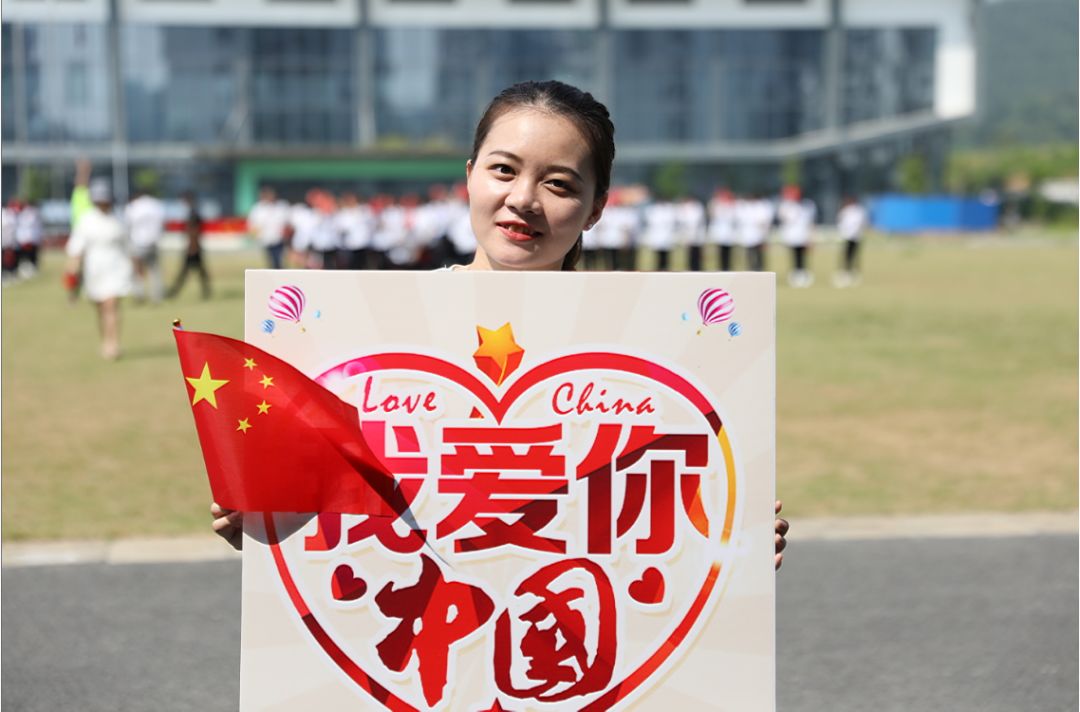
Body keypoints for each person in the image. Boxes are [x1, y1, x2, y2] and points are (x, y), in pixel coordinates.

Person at [209, 80, 789, 567]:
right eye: (504, 170)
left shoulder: (657, 346)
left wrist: (734, 548)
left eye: (559, 183)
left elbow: (668, 510)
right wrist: (265, 530)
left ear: (597, 207)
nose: (524, 199)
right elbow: (329, 501)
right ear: (469, 175)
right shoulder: (372, 323)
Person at [65, 160, 134, 359]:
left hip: (116, 269)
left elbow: (129, 246)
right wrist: (72, 271)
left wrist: (136, 267)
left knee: (111, 305)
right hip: (94, 271)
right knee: (100, 308)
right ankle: (106, 339)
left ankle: (113, 344)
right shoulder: (87, 220)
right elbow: (76, 249)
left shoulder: (119, 220)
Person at [125, 186, 166, 302]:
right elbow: (162, 223)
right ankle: (157, 296)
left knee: (137, 270)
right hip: (154, 241)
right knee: (155, 270)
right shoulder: (157, 205)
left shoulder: (134, 206)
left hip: (138, 242)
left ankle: (139, 294)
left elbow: (128, 224)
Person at [167, 191, 211, 299]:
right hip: (194, 247)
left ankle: (173, 292)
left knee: (186, 272)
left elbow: (194, 232)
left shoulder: (193, 214)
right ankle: (206, 293)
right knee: (198, 272)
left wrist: (192, 247)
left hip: (193, 248)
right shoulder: (192, 212)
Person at [777, 185, 817, 288]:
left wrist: (811, 238)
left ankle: (803, 274)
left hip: (803, 236)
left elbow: (810, 223)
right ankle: (795, 275)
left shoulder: (808, 205)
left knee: (802, 257)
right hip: (792, 236)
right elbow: (783, 220)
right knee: (794, 256)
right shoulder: (785, 206)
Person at [246, 186, 291, 270]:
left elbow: (287, 222)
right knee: (271, 261)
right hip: (266, 240)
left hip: (279, 239)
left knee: (279, 260)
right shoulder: (258, 209)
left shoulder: (281, 206)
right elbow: (253, 226)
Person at [835, 195, 868, 287]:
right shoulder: (845, 211)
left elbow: (862, 223)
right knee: (846, 255)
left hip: (856, 236)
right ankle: (845, 271)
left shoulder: (859, 211)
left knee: (854, 255)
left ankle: (854, 272)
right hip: (847, 236)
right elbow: (841, 223)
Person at [707, 188, 738, 271]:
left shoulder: (732, 205)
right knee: (720, 251)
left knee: (728, 252)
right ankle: (721, 267)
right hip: (719, 231)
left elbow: (734, 217)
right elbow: (712, 214)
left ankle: (728, 267)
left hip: (728, 231)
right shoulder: (715, 204)